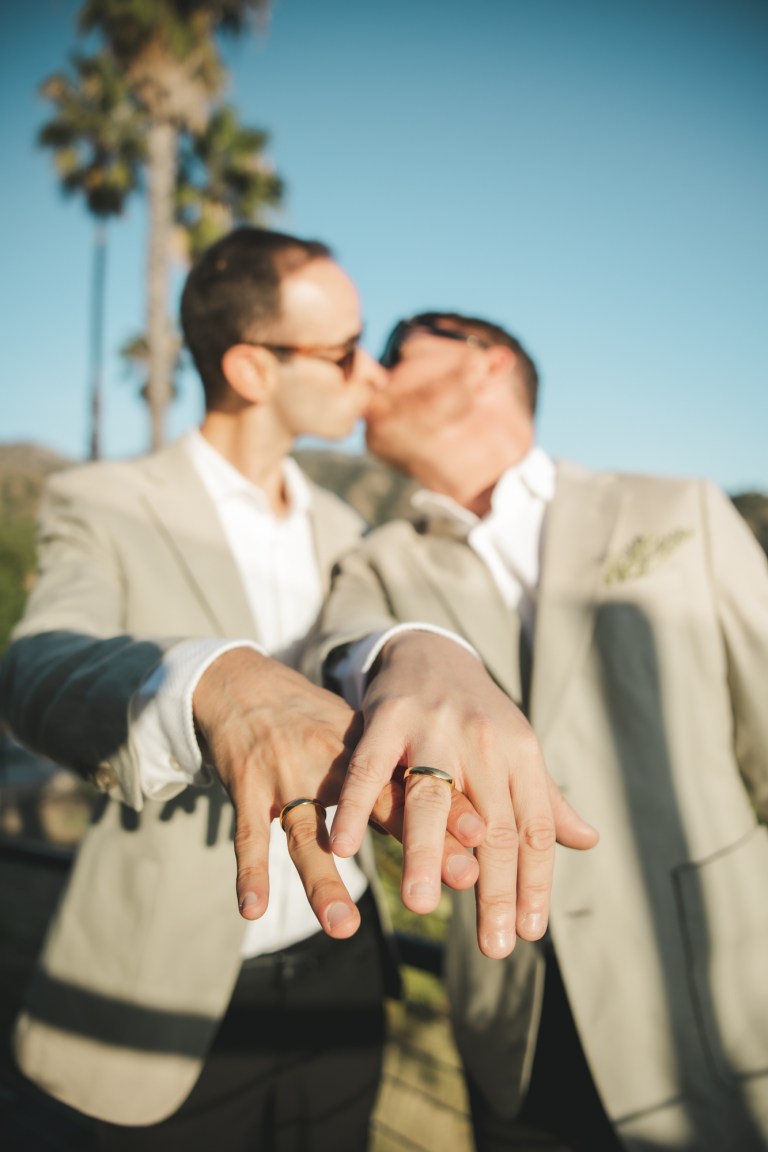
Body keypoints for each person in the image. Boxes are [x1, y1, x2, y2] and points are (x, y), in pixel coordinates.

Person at [0, 231, 495, 1152]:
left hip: (346, 968)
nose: (372, 379)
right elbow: (36, 666)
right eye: (345, 354)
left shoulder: (352, 523)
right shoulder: (102, 499)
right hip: (167, 982)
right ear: (250, 368)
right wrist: (209, 679)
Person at [308, 312, 768, 1152]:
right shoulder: (376, 562)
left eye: (395, 353)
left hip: (726, 1003)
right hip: (515, 1034)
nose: (369, 378)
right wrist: (406, 652)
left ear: (490, 365)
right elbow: (338, 651)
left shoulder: (680, 508)